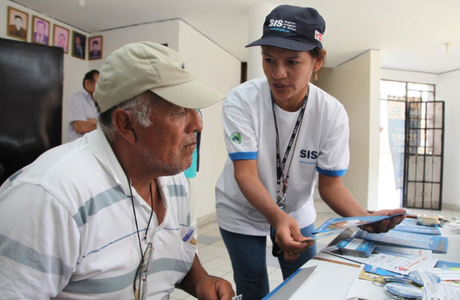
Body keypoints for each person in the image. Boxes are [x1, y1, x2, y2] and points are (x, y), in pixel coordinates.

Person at [0, 42, 234, 300]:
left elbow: (176, 252)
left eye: (195, 110)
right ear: (127, 123)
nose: (198, 125)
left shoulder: (173, 178)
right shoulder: (50, 198)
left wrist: (201, 281)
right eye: (179, 111)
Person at [215, 5, 406, 299]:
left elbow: (331, 185)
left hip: (296, 209)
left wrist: (365, 220)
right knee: (253, 286)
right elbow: (246, 173)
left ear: (318, 60)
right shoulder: (241, 100)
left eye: (292, 62)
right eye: (269, 60)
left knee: (305, 284)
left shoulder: (331, 113)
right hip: (242, 209)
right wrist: (277, 218)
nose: (278, 74)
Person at [67, 70, 100, 141]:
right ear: (87, 83)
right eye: (98, 83)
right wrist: (100, 124)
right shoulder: (76, 98)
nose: (100, 87)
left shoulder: (99, 100)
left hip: (93, 144)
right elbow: (81, 127)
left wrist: (91, 121)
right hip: (78, 146)